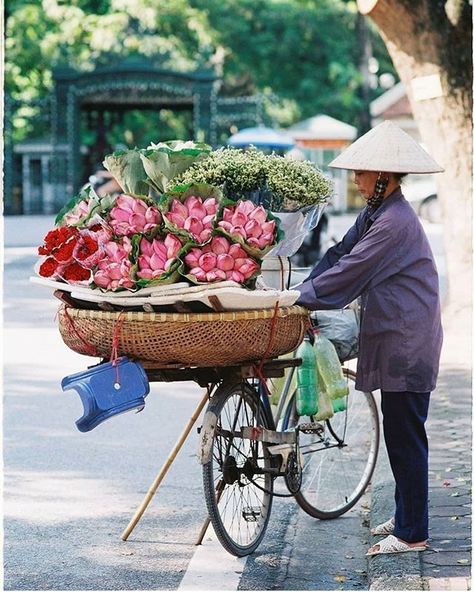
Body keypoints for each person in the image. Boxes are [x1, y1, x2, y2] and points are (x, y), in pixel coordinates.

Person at [295, 120, 444, 556]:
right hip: (397, 331)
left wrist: (303, 297)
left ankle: (413, 532)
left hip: (408, 337)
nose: (355, 180)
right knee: (401, 431)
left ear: (383, 177)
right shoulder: (377, 212)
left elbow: (354, 270)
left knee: (405, 435)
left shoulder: (395, 221)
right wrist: (304, 286)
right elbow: (341, 254)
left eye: (361, 173)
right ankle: (404, 516)